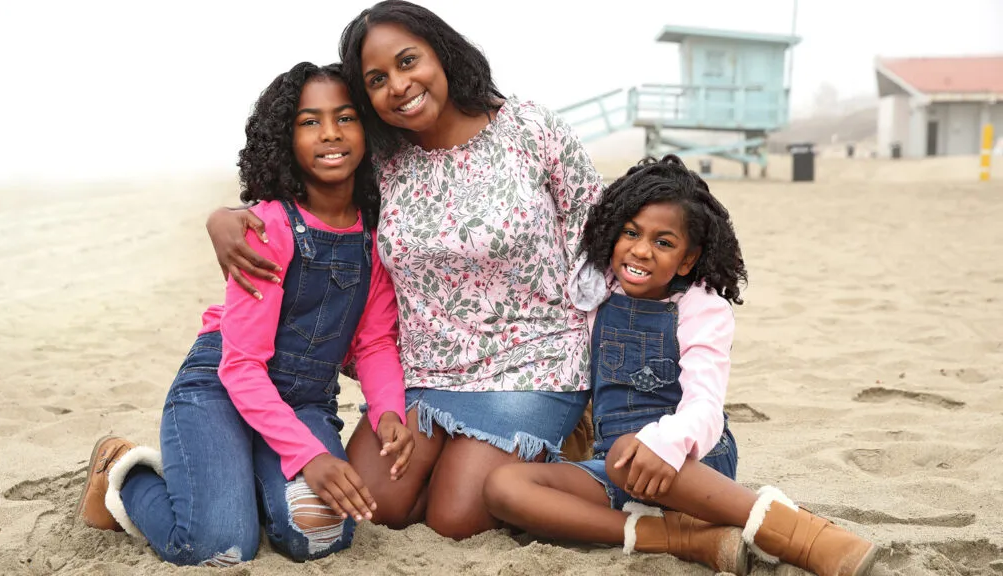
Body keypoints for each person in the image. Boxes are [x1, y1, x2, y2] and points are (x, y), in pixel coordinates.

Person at [204, 0, 602, 540]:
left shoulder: (530, 129)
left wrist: (614, 375)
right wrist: (226, 217)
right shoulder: (383, 160)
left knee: (455, 517)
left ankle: (558, 442)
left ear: (441, 53)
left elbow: (600, 239)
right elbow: (306, 196)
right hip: (421, 373)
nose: (398, 84)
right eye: (376, 79)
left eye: (408, 61)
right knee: (376, 505)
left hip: (535, 361)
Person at [74, 62, 412, 566]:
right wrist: (309, 455)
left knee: (319, 533)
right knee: (217, 546)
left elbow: (375, 342)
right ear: (285, 137)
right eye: (309, 122)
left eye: (346, 117)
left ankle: (240, 479)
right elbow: (240, 367)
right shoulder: (268, 229)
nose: (330, 134)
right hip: (222, 389)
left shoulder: (375, 235)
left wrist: (388, 410)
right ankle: (124, 470)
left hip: (303, 402)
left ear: (368, 127)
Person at [483, 156, 878, 576]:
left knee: (625, 451)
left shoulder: (700, 307)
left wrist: (664, 444)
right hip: (617, 468)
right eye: (631, 233)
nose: (640, 250)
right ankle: (678, 537)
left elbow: (705, 409)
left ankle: (807, 535)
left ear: (687, 261)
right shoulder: (596, 291)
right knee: (504, 487)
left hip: (694, 464)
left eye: (663, 242)